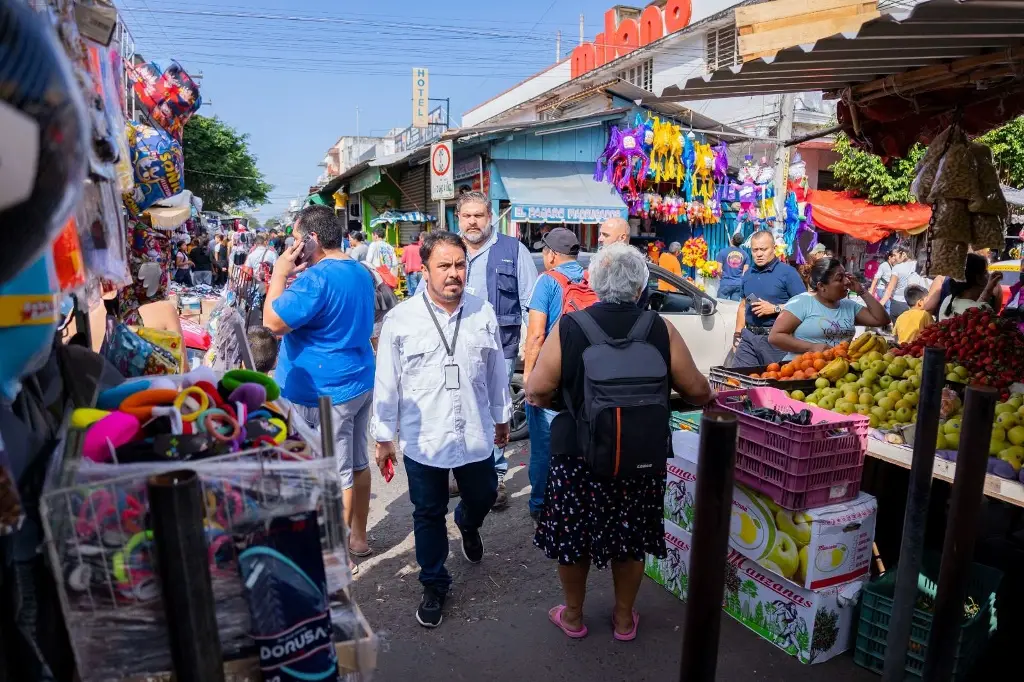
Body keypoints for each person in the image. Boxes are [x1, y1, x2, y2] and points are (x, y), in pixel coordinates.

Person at [525, 243, 714, 641]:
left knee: (574, 538)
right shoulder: (658, 327)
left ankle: (573, 616)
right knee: (631, 537)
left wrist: (569, 399)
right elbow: (697, 391)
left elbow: (538, 390)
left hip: (578, 454)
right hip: (640, 456)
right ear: (642, 285)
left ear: (592, 282)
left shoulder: (571, 326)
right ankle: (624, 619)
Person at [372, 231, 512, 628]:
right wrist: (384, 436)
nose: (454, 273)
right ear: (426, 269)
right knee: (428, 512)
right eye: (444, 266)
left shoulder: (482, 312)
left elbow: (496, 372)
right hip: (424, 437)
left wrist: (502, 417)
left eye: (460, 265)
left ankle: (468, 521)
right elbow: (387, 381)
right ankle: (434, 583)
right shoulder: (400, 320)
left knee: (484, 494)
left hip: (475, 431)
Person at [262, 205, 376, 561]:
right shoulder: (358, 269)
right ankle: (358, 538)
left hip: (325, 393)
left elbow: (273, 322)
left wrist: (278, 274)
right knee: (356, 463)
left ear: (312, 239)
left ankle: (334, 557)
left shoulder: (317, 278)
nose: (292, 248)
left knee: (334, 474)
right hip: (356, 381)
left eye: (296, 240)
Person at [413, 191, 537, 507]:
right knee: (455, 407)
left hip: (501, 347)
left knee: (495, 408)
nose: (472, 221)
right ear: (458, 218)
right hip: (450, 349)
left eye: (478, 215)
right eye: (466, 215)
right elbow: (421, 302)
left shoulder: (513, 250)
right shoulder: (445, 250)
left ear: (489, 216)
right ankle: (461, 472)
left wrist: (529, 341)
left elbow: (530, 302)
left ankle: (493, 480)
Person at [522, 228, 588, 522]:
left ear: (550, 254)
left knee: (544, 446)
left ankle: (540, 505)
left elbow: (536, 336)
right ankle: (575, 499)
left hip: (551, 378)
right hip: (585, 378)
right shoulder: (590, 278)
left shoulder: (547, 281)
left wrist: (528, 377)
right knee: (578, 442)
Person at [769, 258, 889, 358]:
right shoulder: (801, 302)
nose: (846, 282)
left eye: (845, 276)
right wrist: (812, 347)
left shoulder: (849, 306)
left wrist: (862, 291)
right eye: (839, 278)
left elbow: (881, 320)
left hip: (839, 372)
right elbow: (775, 336)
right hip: (801, 371)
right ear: (821, 286)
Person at [731, 231, 807, 367]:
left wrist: (774, 308)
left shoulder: (788, 273)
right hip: (749, 338)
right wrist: (737, 336)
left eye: (763, 249)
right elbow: (743, 305)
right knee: (738, 380)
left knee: (774, 383)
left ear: (774, 248)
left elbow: (805, 306)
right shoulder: (748, 274)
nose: (759, 254)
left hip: (777, 340)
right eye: (755, 250)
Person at [938, 253, 1004, 321]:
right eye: (985, 273)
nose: (988, 275)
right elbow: (977, 307)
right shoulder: (984, 309)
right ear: (978, 278)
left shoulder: (947, 300)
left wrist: (989, 287)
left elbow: (976, 307)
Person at [880, 246, 917, 317]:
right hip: (913, 304)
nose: (894, 258)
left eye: (895, 255)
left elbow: (889, 289)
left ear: (903, 254)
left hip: (898, 304)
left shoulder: (897, 268)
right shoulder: (916, 265)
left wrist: (880, 304)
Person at [715, 233, 749, 301]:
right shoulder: (745, 255)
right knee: (734, 307)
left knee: (720, 305)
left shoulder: (723, 252)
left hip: (725, 283)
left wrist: (723, 278)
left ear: (731, 240)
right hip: (738, 284)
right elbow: (745, 274)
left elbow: (718, 270)